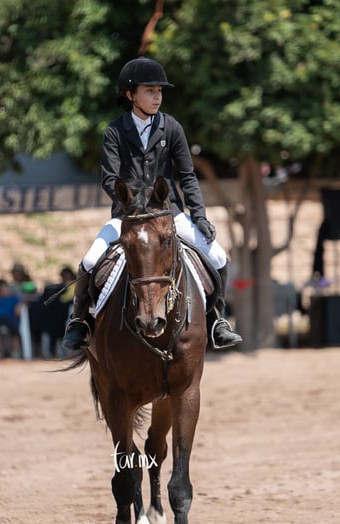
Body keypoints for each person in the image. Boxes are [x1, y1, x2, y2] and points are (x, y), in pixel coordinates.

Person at [63, 57, 242, 351]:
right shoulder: (114, 132)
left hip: (168, 213)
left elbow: (187, 176)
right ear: (131, 95)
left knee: (219, 257)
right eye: (149, 91)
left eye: (159, 91)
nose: (157, 96)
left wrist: (199, 216)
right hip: (128, 217)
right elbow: (110, 179)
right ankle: (79, 321)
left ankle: (217, 320)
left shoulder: (171, 128)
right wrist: (133, 202)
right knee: (91, 260)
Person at [0, 279, 23, 359]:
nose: (4, 290)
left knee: (15, 329)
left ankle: (15, 350)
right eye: (1, 288)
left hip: (10, 318)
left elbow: (19, 310)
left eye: (5, 288)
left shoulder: (14, 298)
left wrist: (19, 307)